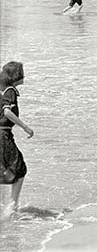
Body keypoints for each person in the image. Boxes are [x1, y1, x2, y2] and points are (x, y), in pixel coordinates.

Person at [0, 62, 33, 218]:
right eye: (21, 72)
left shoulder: (2, 90)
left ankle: (10, 207)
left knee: (8, 168)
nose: (24, 75)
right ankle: (12, 208)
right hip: (3, 135)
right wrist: (25, 127)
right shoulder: (11, 91)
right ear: (15, 76)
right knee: (19, 168)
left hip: (3, 134)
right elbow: (7, 112)